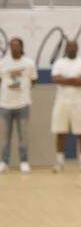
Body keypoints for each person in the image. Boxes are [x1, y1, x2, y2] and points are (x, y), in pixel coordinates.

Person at [50, 40, 81, 172]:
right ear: (66, 49)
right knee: (60, 132)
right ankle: (60, 162)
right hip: (62, 102)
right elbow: (56, 79)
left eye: (73, 46)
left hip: (80, 103)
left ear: (77, 48)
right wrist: (74, 80)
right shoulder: (59, 63)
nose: (71, 49)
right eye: (69, 47)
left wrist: (65, 80)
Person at [0, 37, 35, 174]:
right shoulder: (3, 62)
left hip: (23, 104)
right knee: (4, 136)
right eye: (11, 45)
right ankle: (4, 162)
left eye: (16, 45)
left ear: (21, 47)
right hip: (5, 104)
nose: (14, 48)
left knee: (23, 135)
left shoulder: (29, 63)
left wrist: (23, 90)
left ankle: (24, 162)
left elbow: (33, 80)